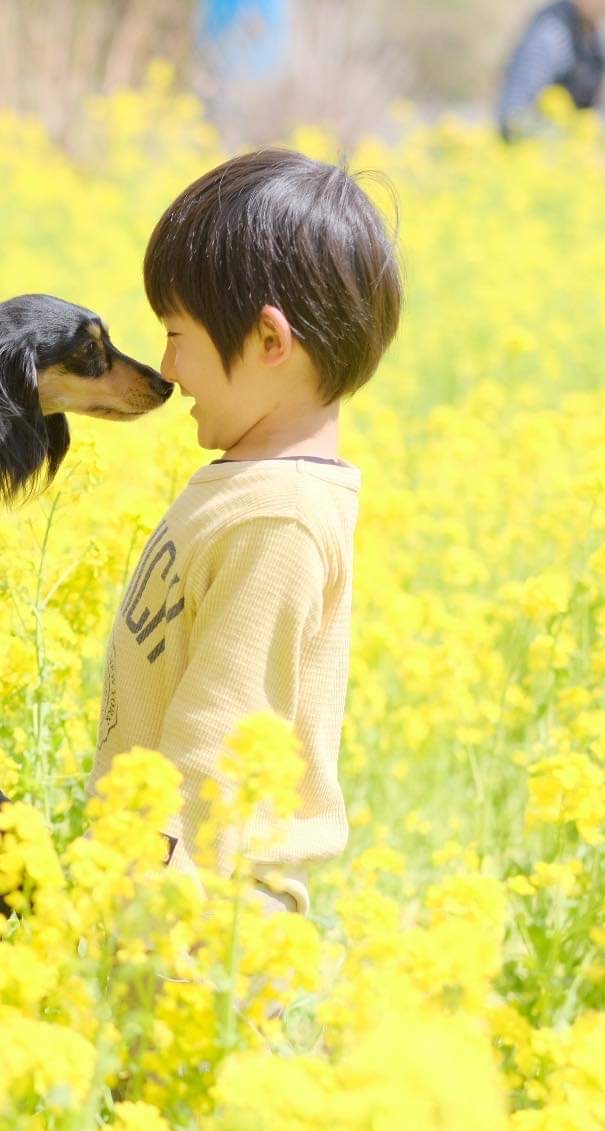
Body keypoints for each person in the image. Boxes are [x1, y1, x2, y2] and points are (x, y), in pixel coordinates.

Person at [93, 147, 401, 916]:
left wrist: (145, 915)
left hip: (206, 920)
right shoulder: (251, 493)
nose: (166, 366)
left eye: (177, 333)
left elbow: (216, 748)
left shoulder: (277, 521)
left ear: (270, 341)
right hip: (167, 888)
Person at [497, 0, 605, 140]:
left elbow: (591, 111)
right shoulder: (551, 34)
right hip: (537, 148)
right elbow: (513, 115)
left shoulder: (595, 42)